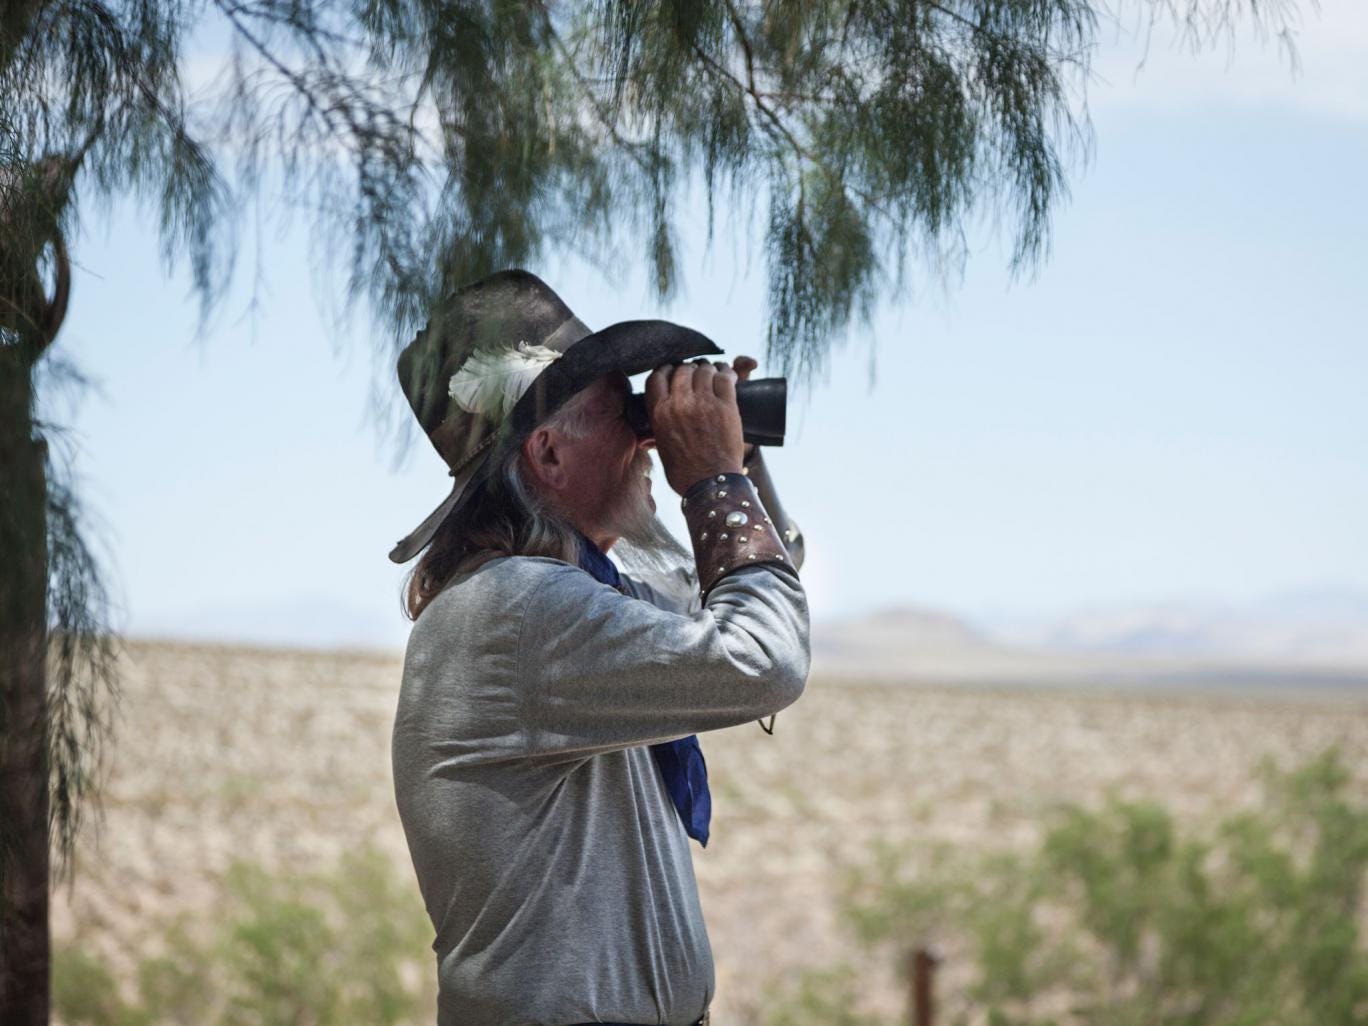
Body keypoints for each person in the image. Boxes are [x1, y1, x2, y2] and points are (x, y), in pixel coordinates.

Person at [388, 270, 809, 1026]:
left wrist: (737, 460)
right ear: (548, 455)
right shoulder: (517, 613)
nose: (649, 438)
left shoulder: (579, 598)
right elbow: (763, 654)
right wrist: (712, 478)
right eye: (628, 417)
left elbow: (754, 584)